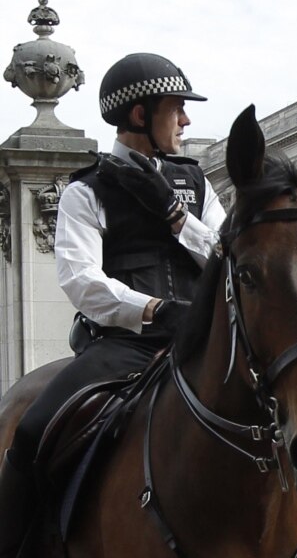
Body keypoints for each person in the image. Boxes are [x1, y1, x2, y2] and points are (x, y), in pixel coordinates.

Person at [0, 53, 225, 557]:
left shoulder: (198, 184)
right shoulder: (87, 189)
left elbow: (226, 258)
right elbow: (81, 280)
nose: (187, 120)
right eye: (176, 108)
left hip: (204, 341)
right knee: (33, 430)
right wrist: (155, 310)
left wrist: (174, 214)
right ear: (141, 114)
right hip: (126, 345)